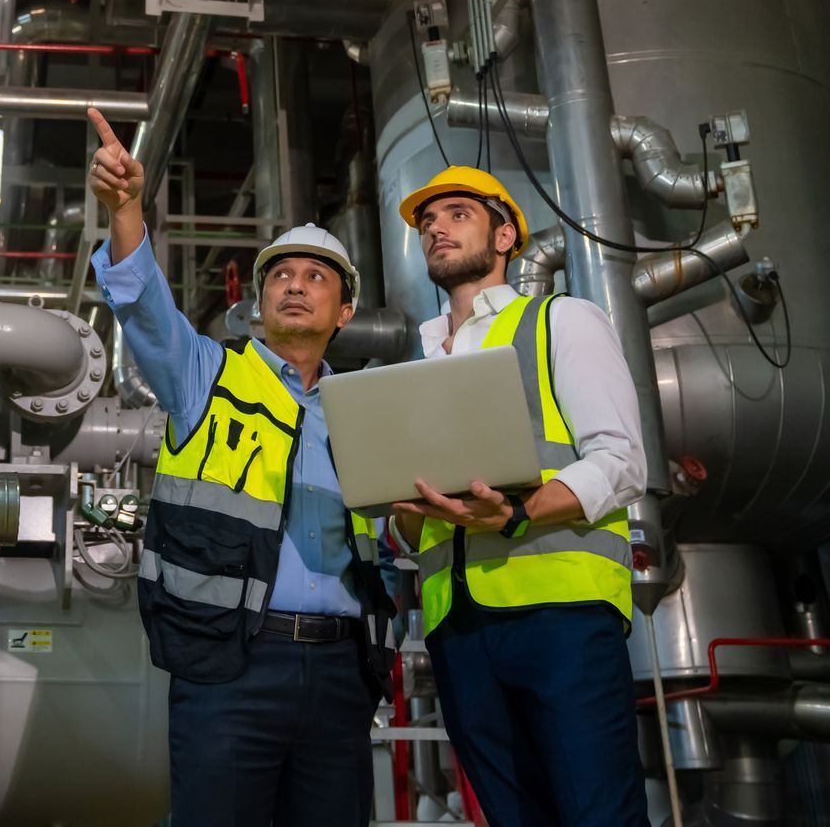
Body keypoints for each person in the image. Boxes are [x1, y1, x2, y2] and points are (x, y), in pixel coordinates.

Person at [84, 108, 394, 827]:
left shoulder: (363, 409)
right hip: (231, 666)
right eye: (280, 274)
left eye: (315, 277)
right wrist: (127, 208)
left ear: (343, 310)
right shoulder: (206, 375)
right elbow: (144, 304)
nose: (294, 284)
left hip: (344, 673)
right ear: (257, 302)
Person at [388, 165, 649, 827]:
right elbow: (409, 531)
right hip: (456, 630)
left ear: (504, 235)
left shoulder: (561, 321)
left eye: (456, 214)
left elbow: (620, 462)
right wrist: (405, 516)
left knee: (598, 816)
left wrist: (517, 513)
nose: (435, 229)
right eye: (427, 222)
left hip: (562, 615)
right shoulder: (413, 364)